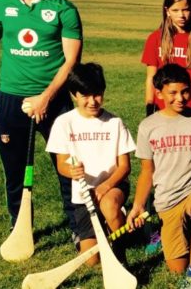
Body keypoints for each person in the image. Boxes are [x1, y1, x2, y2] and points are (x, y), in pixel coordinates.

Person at [0, 0, 82, 238]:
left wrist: (45, 97)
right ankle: (19, 228)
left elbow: (72, 61)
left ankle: (80, 229)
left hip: (54, 101)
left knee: (69, 170)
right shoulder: (0, 5)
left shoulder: (63, 8)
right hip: (10, 101)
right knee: (14, 174)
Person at [127, 64, 191, 289]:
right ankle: (181, 237)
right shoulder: (148, 126)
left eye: (184, 91)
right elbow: (147, 172)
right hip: (166, 199)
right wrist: (137, 205)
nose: (180, 98)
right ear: (159, 93)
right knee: (176, 268)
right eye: (172, 93)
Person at [45, 63, 136, 265]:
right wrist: (72, 170)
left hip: (113, 186)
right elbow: (61, 164)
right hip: (83, 194)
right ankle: (104, 227)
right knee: (91, 260)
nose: (92, 101)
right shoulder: (63, 122)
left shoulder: (115, 123)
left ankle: (120, 257)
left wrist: (105, 185)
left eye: (97, 94)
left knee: (109, 206)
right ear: (73, 94)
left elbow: (125, 167)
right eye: (85, 96)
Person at [142, 0, 191, 114]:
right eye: (175, 10)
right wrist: (149, 106)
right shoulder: (155, 39)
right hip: (164, 110)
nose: (181, 15)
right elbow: (151, 77)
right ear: (167, 11)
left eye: (186, 9)